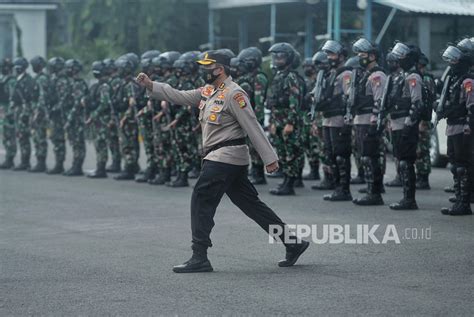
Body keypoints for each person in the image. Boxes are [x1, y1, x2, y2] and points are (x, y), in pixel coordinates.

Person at [136, 50, 309, 273]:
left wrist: (269, 158)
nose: (204, 70)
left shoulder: (234, 94)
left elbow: (252, 125)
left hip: (225, 157)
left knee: (201, 198)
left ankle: (199, 256)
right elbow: (178, 95)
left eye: (208, 66)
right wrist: (151, 85)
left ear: (220, 68)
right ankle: (293, 243)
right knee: (251, 205)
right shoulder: (209, 91)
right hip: (222, 158)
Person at [350, 38, 387, 206]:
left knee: (370, 157)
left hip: (369, 121)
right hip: (360, 120)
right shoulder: (364, 74)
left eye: (362, 54)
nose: (359, 57)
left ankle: (375, 193)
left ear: (372, 56)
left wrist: (374, 123)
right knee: (364, 156)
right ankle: (371, 189)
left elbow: (379, 101)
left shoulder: (377, 76)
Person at [438, 45, 472, 216]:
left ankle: (464, 203)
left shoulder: (467, 81)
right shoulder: (454, 80)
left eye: (454, 61)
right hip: (452, 126)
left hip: (462, 128)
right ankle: (459, 200)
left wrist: (468, 126)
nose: (451, 65)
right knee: (455, 165)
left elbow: (471, 107)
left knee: (461, 166)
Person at [267, 42, 303, 195]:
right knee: (281, 151)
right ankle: (285, 181)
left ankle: (290, 184)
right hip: (278, 119)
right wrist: (273, 122)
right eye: (275, 56)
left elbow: (295, 101)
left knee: (290, 153)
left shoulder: (291, 77)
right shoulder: (278, 76)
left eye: (280, 56)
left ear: (288, 58)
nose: (277, 59)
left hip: (288, 120)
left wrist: (290, 122)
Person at [86, 61, 113, 178]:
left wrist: (93, 116)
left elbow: (104, 103)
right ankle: (99, 167)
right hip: (99, 120)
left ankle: (101, 169)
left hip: (102, 120)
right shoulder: (98, 85)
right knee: (98, 144)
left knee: (101, 144)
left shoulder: (104, 86)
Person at [64, 59, 88, 176]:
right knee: (74, 142)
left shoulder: (78, 83)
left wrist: (69, 118)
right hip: (74, 117)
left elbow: (77, 103)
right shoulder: (74, 82)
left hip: (77, 118)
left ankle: (78, 166)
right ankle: (75, 164)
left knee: (78, 142)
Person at [10, 57, 35, 171]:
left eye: (16, 67)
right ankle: (24, 161)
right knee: (20, 136)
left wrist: (25, 114)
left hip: (24, 110)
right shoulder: (18, 79)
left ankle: (25, 161)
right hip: (18, 109)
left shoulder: (28, 80)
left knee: (23, 136)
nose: (14, 70)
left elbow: (29, 98)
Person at [29, 56, 51, 173]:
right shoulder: (38, 78)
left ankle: (41, 162)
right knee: (37, 137)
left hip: (41, 113)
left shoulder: (42, 79)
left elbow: (42, 97)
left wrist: (37, 113)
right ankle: (39, 161)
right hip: (37, 111)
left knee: (40, 137)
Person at [0, 58, 17, 169]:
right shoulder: (3, 79)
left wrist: (9, 113)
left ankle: (10, 158)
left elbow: (12, 97)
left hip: (8, 110)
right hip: (3, 109)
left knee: (10, 134)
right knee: (5, 135)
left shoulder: (11, 80)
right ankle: (8, 157)